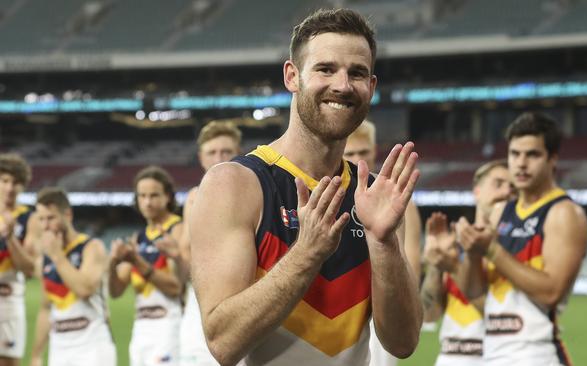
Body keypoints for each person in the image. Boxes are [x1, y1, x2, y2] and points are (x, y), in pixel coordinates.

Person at [190, 8, 422, 366]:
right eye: (326, 69)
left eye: (357, 73)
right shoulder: (236, 184)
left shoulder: (376, 197)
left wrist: (384, 242)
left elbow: (402, 343)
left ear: (371, 88)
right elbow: (224, 341)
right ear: (292, 76)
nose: (342, 86)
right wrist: (308, 252)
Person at [456, 113, 587, 366]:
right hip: (494, 353)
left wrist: (492, 251)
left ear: (553, 159)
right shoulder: (499, 213)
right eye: (514, 154)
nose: (521, 163)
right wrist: (472, 252)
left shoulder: (564, 213)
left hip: (538, 353)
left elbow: (552, 292)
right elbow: (474, 291)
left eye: (533, 155)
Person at [159, 121, 242, 366]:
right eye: (212, 152)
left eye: (226, 152)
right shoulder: (193, 200)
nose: (219, 158)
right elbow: (185, 271)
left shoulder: (256, 192)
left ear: (239, 153)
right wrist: (175, 258)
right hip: (200, 313)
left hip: (242, 305)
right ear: (201, 158)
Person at [344, 120, 422, 366]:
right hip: (341, 313)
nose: (358, 160)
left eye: (363, 152)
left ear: (374, 150)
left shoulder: (402, 203)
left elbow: (411, 270)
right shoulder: (330, 195)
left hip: (381, 317)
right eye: (351, 154)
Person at [420, 160, 512, 366]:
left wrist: (452, 267)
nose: (507, 192)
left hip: (496, 357)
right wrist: (436, 265)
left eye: (512, 188)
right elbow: (429, 315)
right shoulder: (456, 244)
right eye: (498, 184)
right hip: (451, 356)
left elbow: (502, 317)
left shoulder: (515, 249)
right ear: (477, 191)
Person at [30, 187, 115, 366]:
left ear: (67, 215)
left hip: (92, 346)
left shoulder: (91, 247)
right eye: (41, 219)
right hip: (59, 348)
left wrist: (57, 256)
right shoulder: (45, 258)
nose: (45, 226)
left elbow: (85, 290)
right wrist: (36, 355)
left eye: (51, 218)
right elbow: (46, 308)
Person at [108, 166, 184, 366]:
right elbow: (116, 291)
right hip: (141, 326)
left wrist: (136, 261)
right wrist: (112, 263)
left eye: (154, 195)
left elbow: (175, 287)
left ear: (168, 196)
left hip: (170, 324)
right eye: (142, 196)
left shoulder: (177, 229)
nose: (147, 202)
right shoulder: (139, 238)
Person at [0, 154, 37, 366]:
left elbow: (30, 269)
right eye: (4, 181)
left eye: (15, 182)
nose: (9, 188)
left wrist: (11, 237)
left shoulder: (28, 219)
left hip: (9, 300)